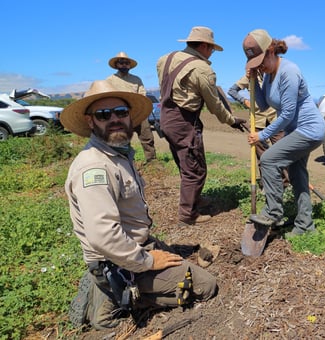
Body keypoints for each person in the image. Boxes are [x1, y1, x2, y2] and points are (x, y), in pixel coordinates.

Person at [62, 80, 218, 330]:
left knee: (176, 261)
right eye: (104, 114)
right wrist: (146, 260)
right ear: (91, 121)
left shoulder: (118, 154)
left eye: (121, 112)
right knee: (204, 286)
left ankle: (112, 284)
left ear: (130, 117)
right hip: (116, 259)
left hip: (133, 245)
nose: (114, 119)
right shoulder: (94, 168)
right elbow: (103, 236)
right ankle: (113, 297)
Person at [156, 26, 247, 226]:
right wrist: (231, 120)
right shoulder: (203, 69)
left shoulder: (165, 59)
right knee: (195, 169)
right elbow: (214, 104)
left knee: (184, 163)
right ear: (204, 45)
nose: (212, 52)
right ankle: (188, 215)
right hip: (184, 120)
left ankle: (195, 199)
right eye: (211, 49)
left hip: (166, 117)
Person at [243, 29, 325, 236]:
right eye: (255, 63)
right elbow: (262, 105)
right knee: (297, 176)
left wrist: (261, 135)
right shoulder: (269, 75)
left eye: (261, 61)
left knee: (269, 159)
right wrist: (256, 80)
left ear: (271, 50)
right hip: (295, 130)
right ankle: (305, 227)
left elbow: (287, 114)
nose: (260, 66)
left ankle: (273, 211)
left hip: (308, 129)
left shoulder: (289, 72)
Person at [228, 73, 289, 185]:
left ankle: (284, 182)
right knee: (262, 156)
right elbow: (232, 91)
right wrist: (244, 101)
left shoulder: (275, 75)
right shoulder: (249, 77)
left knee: (282, 153)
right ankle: (266, 183)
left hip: (276, 120)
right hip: (257, 121)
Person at [106, 51, 156, 163]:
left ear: (129, 65)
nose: (124, 65)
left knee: (147, 136)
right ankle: (126, 162)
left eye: (126, 63)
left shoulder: (136, 79)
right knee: (123, 139)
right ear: (116, 65)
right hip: (120, 113)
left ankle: (152, 161)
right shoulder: (110, 80)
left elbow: (142, 93)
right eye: (121, 62)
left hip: (138, 111)